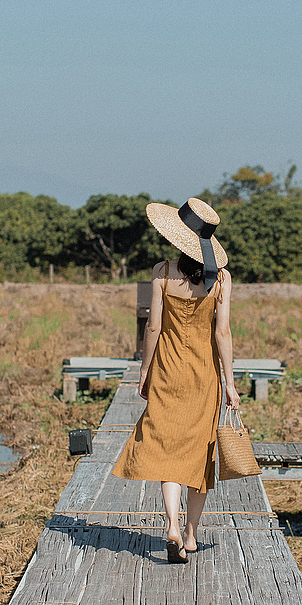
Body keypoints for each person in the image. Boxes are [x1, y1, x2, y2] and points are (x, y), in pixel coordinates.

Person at [112, 197, 240, 563]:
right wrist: (230, 384)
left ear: (178, 239)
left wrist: (144, 371)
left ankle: (171, 524)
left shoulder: (163, 271)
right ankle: (191, 535)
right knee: (199, 452)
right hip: (205, 374)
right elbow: (222, 332)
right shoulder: (222, 279)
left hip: (167, 369)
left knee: (167, 446)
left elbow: (153, 326)